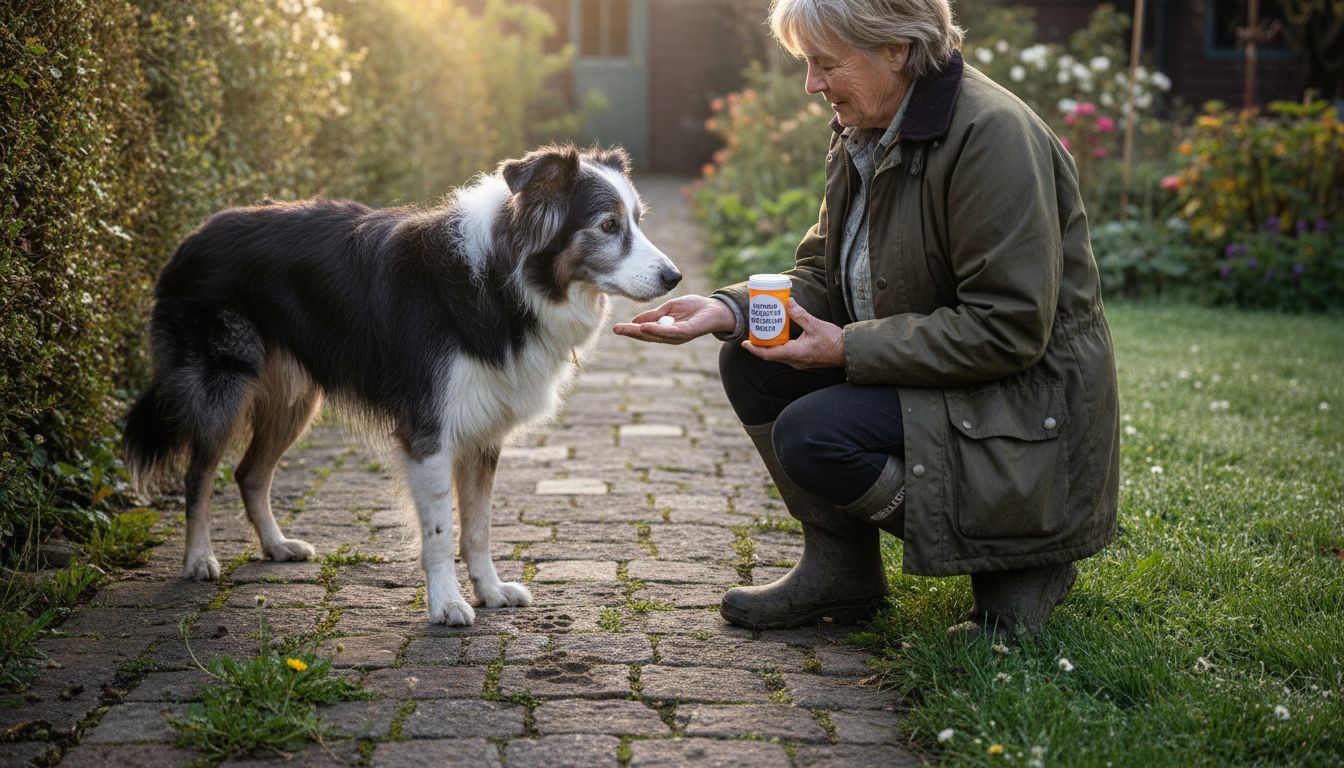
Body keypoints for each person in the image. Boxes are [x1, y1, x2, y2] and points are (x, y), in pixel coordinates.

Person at [614, 0, 1119, 638]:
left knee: (814, 433)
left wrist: (846, 348)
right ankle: (843, 572)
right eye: (807, 64)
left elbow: (1008, 328)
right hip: (944, 375)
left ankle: (1025, 561)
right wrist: (729, 308)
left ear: (896, 50)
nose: (812, 84)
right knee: (751, 357)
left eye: (826, 64)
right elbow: (824, 272)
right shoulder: (867, 127)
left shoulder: (993, 137)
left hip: (1017, 400)